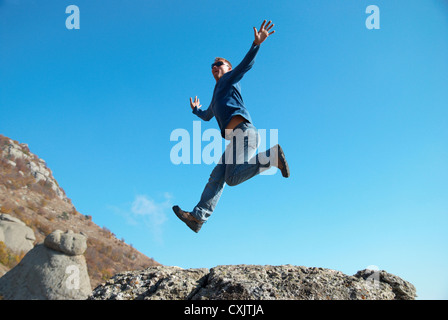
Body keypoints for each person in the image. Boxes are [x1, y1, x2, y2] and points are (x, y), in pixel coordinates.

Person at [173, 20, 290, 233]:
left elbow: (245, 65)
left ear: (228, 69)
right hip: (237, 140)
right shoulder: (217, 93)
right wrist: (195, 110)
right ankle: (198, 217)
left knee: (232, 178)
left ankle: (271, 157)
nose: (215, 67)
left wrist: (256, 44)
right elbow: (208, 116)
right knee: (216, 176)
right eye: (212, 65)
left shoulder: (229, 80)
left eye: (219, 64)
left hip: (246, 134)